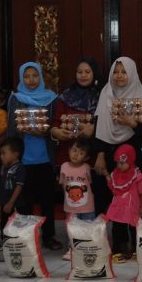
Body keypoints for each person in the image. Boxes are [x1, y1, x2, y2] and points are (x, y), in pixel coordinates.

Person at [7, 62, 61, 251]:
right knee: (24, 202)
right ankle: (27, 237)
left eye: (35, 75)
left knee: (47, 201)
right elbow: (11, 129)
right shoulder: (16, 98)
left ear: (41, 77)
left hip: (45, 158)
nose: (31, 80)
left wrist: (44, 132)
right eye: (27, 76)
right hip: (24, 159)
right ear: (21, 78)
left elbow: (55, 125)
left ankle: (48, 236)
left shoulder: (51, 98)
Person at [93, 57, 142, 216]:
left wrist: (133, 124)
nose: (119, 75)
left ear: (132, 73)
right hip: (109, 154)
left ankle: (132, 230)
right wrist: (100, 155)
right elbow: (99, 127)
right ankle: (110, 231)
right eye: (116, 72)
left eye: (124, 72)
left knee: (131, 199)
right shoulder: (106, 94)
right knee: (111, 199)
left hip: (133, 155)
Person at [50, 57, 102, 204]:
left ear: (94, 73)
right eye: (79, 72)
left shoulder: (101, 96)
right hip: (67, 153)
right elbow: (56, 123)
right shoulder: (66, 96)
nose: (83, 75)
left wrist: (94, 128)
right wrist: (56, 132)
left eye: (87, 72)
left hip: (90, 154)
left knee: (89, 198)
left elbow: (106, 123)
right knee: (71, 198)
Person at [106, 143, 142, 262]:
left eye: (122, 163)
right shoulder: (116, 174)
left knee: (134, 228)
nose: (119, 166)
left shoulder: (137, 175)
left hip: (131, 207)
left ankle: (135, 250)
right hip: (119, 207)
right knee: (117, 227)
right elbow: (113, 188)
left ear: (130, 160)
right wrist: (106, 175)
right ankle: (119, 249)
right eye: (117, 163)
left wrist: (141, 207)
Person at [59, 138, 96, 262]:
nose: (76, 154)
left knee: (87, 228)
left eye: (81, 153)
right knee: (72, 228)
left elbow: (89, 184)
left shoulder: (86, 167)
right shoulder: (64, 166)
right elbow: (63, 184)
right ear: (69, 150)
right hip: (70, 206)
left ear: (86, 157)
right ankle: (72, 249)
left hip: (87, 206)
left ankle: (87, 249)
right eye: (74, 150)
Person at [0, 137, 26, 257]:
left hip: (16, 205)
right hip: (5, 203)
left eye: (4, 153)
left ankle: (16, 250)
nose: (1, 156)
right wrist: (0, 205)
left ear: (15, 154)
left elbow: (19, 187)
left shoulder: (20, 168)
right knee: (4, 226)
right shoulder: (4, 168)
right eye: (1, 153)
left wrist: (11, 203)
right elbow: (2, 189)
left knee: (16, 227)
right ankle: (6, 247)